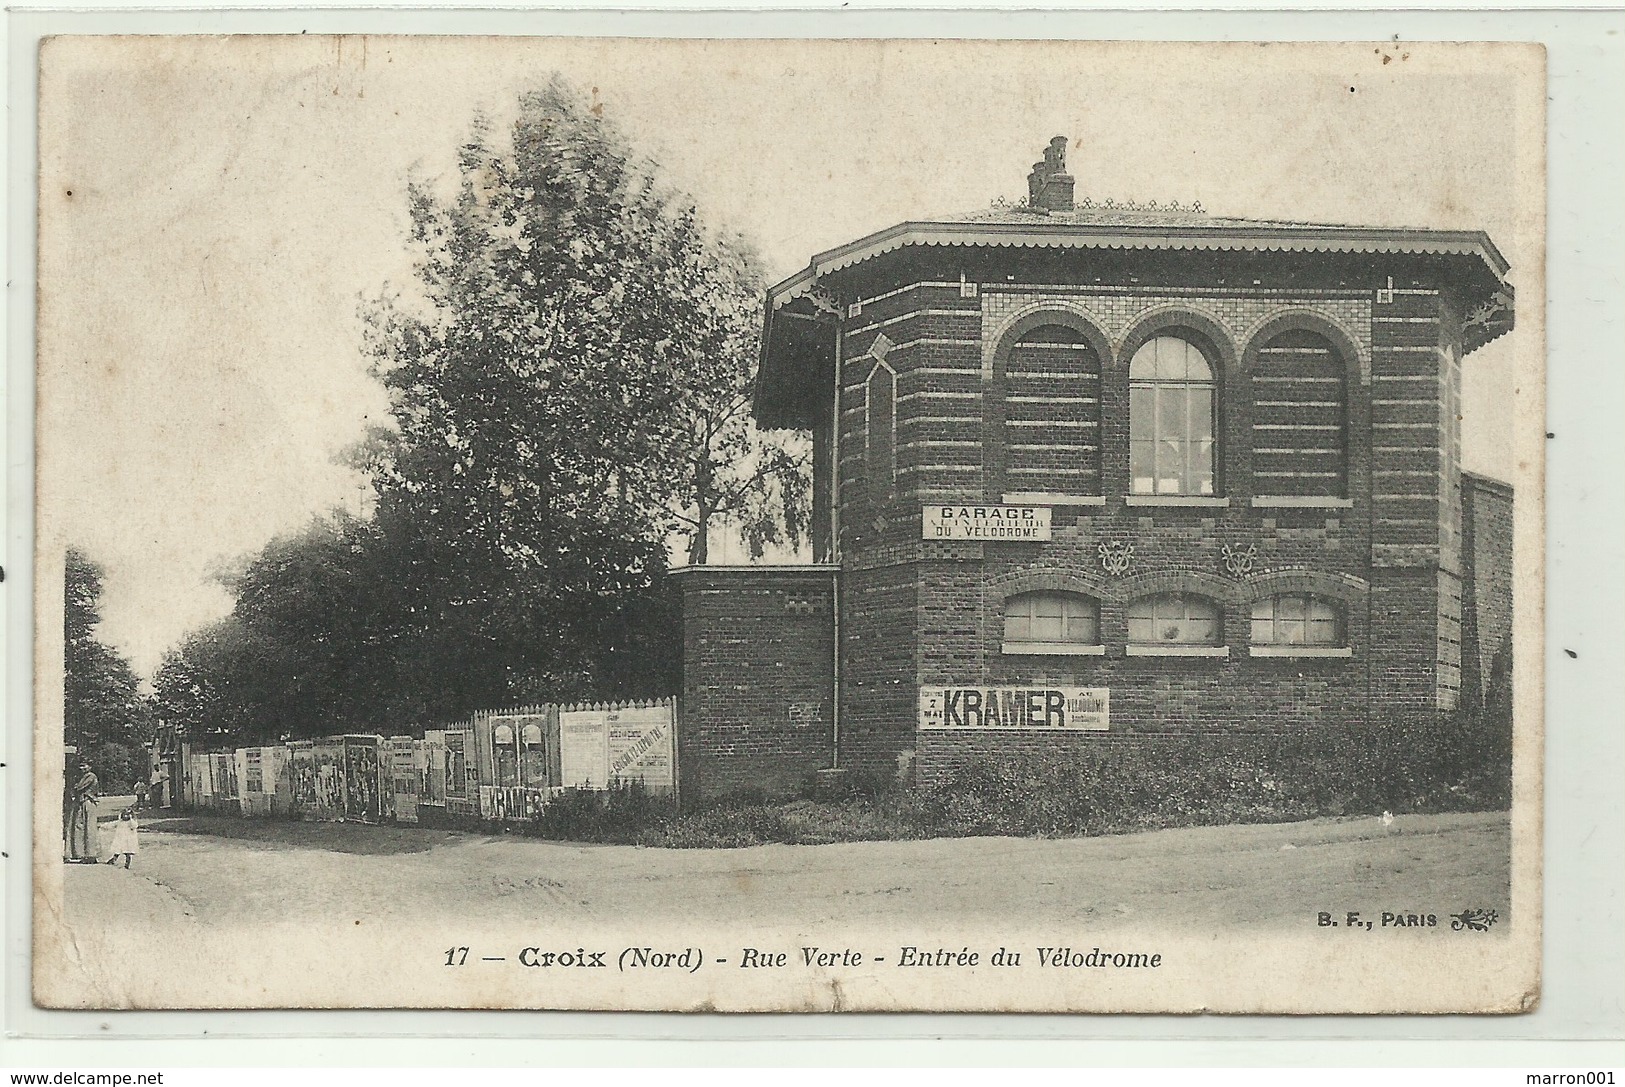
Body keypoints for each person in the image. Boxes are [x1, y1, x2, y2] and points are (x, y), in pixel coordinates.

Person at [66, 761, 100, 862]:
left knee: (88, 826)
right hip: (81, 802)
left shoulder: (90, 776)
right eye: (81, 766)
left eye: (84, 765)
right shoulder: (83, 776)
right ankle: (80, 853)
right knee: (79, 826)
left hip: (88, 801)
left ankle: (90, 854)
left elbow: (79, 787)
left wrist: (75, 787)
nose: (82, 768)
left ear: (90, 766)